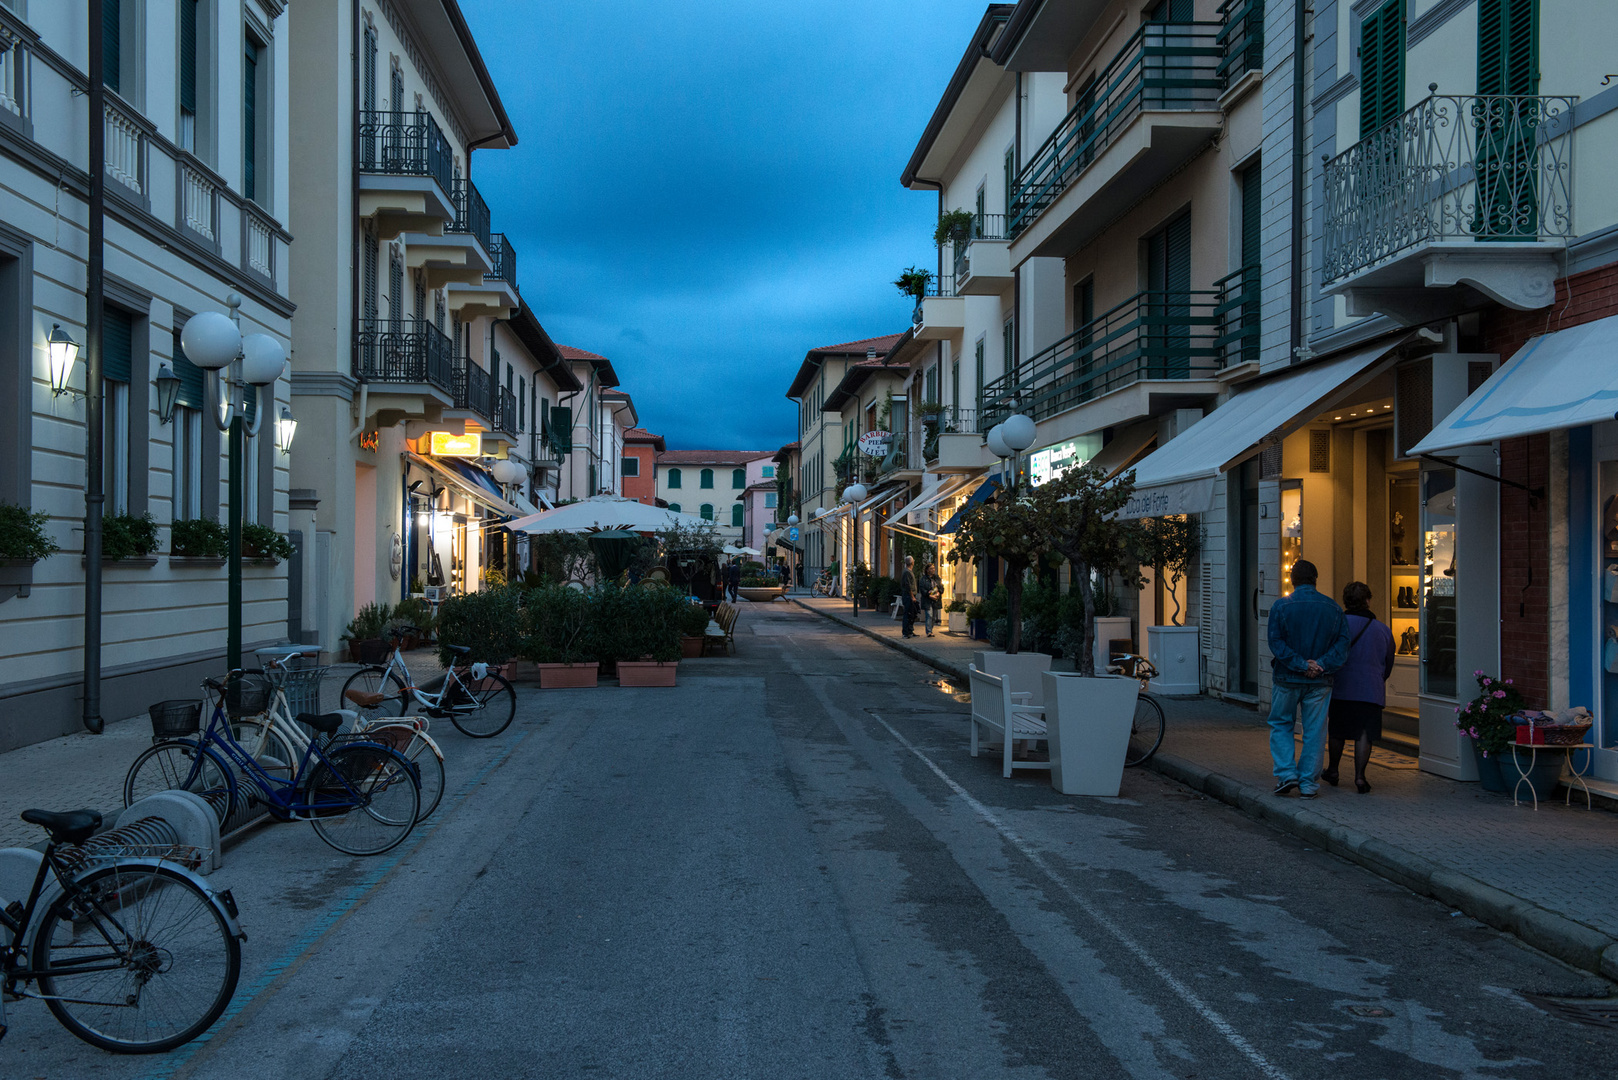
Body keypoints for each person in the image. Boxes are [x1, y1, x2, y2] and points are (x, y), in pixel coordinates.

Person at [1265, 559, 1350, 799]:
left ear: (1292, 580)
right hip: (1320, 681)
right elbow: (1343, 645)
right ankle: (1308, 783)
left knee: (1282, 724)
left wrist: (1301, 664)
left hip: (1287, 677)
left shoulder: (1281, 606)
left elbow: (1276, 643)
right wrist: (1319, 664)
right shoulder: (1333, 608)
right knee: (1314, 730)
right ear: (1315, 579)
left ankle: (1286, 773)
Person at [1323, 581, 1396, 794]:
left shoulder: (1337, 626)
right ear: (1367, 600)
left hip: (1341, 687)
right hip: (1370, 689)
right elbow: (1388, 661)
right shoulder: (1382, 630)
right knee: (1364, 733)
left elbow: (1329, 654)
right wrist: (1378, 678)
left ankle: (1334, 770)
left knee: (1337, 731)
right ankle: (1360, 777)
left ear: (1346, 601)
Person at [921, 562, 943, 637]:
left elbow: (941, 587)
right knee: (929, 615)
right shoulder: (924, 579)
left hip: (936, 599)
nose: (933, 570)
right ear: (927, 570)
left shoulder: (937, 578)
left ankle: (931, 629)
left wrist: (939, 593)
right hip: (927, 600)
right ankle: (929, 631)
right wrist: (929, 595)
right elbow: (922, 589)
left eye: (933, 568)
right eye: (931, 568)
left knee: (934, 616)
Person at [899, 555, 919, 638]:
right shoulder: (907, 572)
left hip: (910, 595)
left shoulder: (909, 571)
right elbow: (908, 585)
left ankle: (910, 630)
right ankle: (906, 632)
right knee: (908, 613)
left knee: (912, 614)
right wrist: (912, 596)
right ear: (912, 562)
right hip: (908, 596)